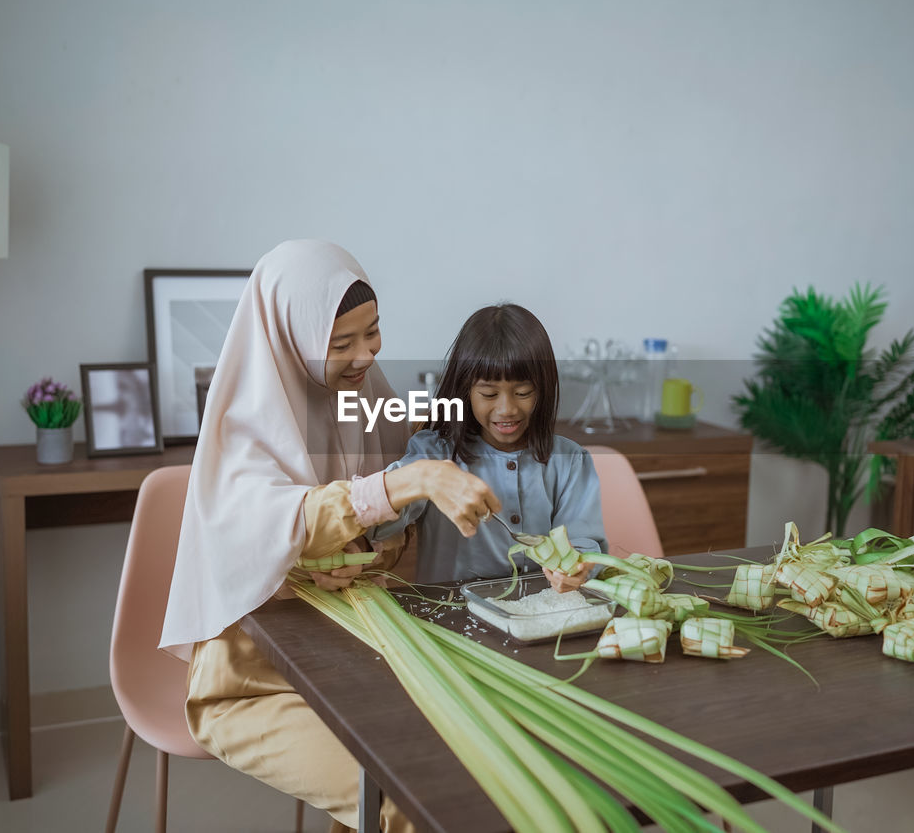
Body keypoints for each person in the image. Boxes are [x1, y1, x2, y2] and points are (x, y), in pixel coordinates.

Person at [159, 239, 503, 833]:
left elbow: (390, 526)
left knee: (471, 765)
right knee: (408, 796)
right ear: (290, 341)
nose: (366, 354)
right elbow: (282, 522)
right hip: (254, 680)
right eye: (340, 344)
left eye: (373, 332)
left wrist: (363, 552)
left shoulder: (368, 397)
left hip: (355, 652)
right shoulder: (244, 423)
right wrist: (406, 485)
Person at [370, 303, 607, 590]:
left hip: (540, 616)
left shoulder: (570, 461)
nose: (506, 409)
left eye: (522, 392)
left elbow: (585, 542)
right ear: (465, 390)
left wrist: (578, 566)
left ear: (543, 390)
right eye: (489, 393)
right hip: (450, 615)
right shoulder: (433, 453)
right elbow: (381, 525)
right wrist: (419, 481)